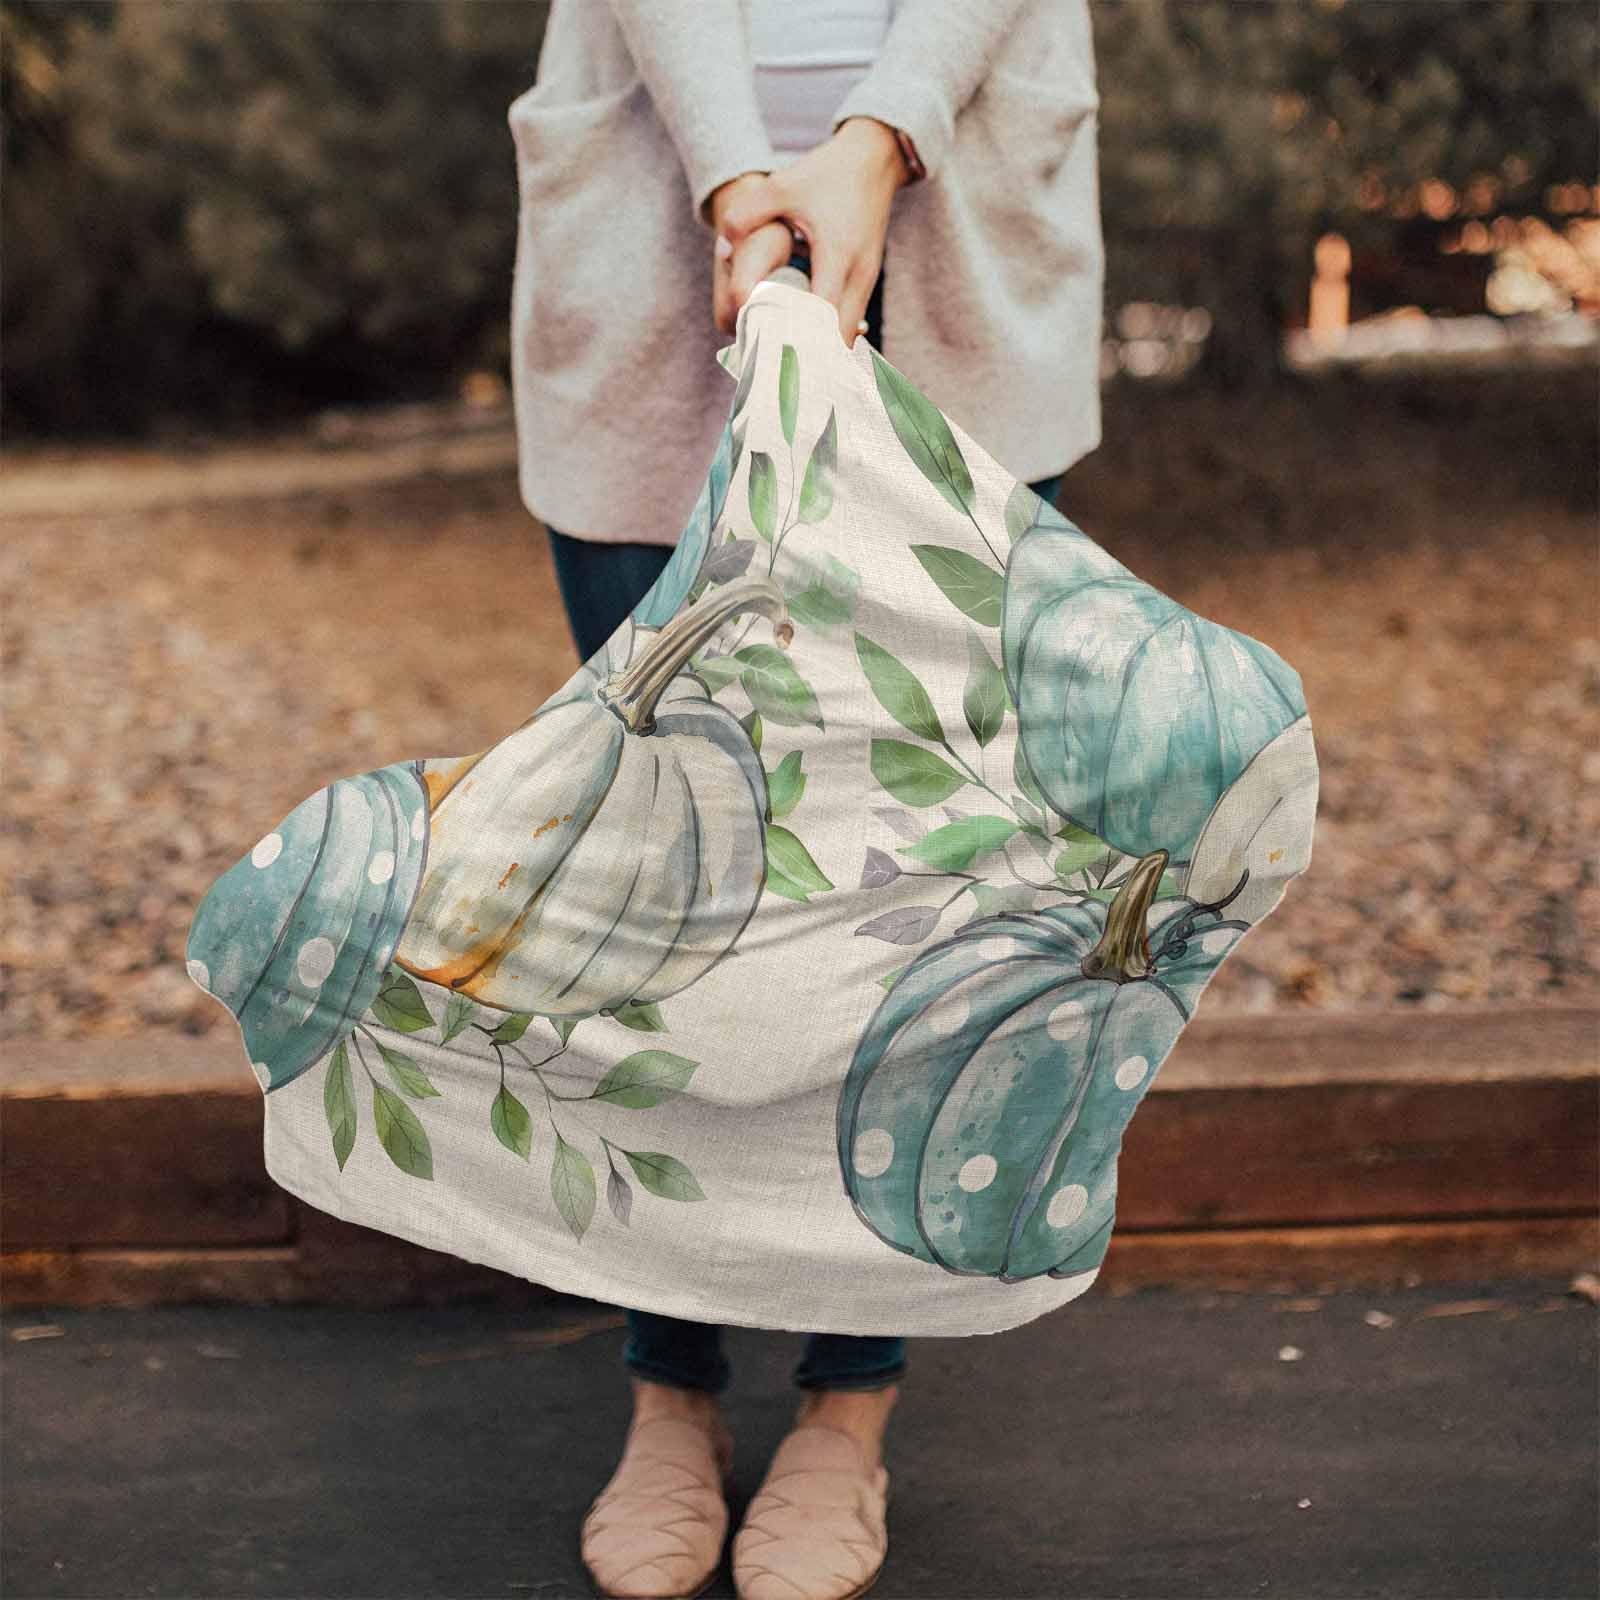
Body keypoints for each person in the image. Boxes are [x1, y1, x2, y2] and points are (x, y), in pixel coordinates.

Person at [506, 4, 1102, 1595]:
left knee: (913, 882)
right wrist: (734, 179)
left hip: (958, 224)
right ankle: (670, 1386)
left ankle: (849, 1404)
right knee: (660, 868)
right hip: (656, 220)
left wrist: (877, 137)